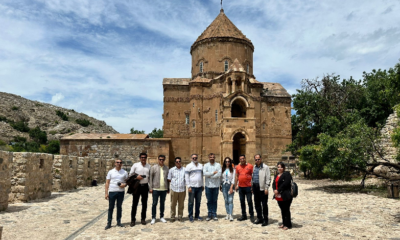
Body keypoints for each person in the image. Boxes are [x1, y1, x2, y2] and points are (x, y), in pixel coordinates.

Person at [105, 159, 128, 230]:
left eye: (120, 162)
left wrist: (124, 185)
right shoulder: (111, 172)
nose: (119, 163)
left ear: (122, 164)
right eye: (117, 162)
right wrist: (106, 193)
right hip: (112, 191)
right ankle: (109, 223)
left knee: (119, 207)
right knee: (111, 208)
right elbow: (107, 182)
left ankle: (118, 221)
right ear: (115, 163)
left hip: (120, 192)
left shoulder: (124, 172)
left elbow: (127, 182)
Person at [129, 152, 151, 227]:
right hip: (137, 186)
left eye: (144, 157)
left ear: (146, 158)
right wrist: (136, 177)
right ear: (140, 158)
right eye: (142, 157)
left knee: (144, 204)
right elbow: (130, 174)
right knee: (134, 203)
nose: (143, 159)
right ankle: (132, 220)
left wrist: (150, 188)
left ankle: (143, 219)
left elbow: (150, 178)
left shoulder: (149, 166)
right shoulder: (135, 165)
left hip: (145, 186)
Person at [149, 155, 170, 225]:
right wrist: (151, 188)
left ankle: (161, 216)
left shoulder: (167, 168)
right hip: (155, 188)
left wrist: (168, 188)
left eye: (163, 159)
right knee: (154, 203)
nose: (161, 161)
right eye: (160, 159)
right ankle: (153, 217)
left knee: (162, 203)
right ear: (158, 160)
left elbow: (168, 179)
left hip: (164, 189)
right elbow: (150, 178)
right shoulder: (154, 167)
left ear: (164, 160)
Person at [273, 162, 293, 230]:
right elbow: (274, 183)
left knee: (286, 209)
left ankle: (288, 224)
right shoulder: (276, 175)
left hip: (285, 195)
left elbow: (286, 183)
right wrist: (274, 190)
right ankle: (284, 223)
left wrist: (278, 190)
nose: (279, 168)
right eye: (278, 167)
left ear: (284, 168)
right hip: (278, 196)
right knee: (282, 210)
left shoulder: (287, 174)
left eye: (281, 167)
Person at [252, 154, 271, 226]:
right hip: (255, 187)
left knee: (264, 204)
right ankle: (259, 218)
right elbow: (252, 177)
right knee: (257, 204)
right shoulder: (254, 167)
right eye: (256, 159)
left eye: (258, 159)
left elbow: (268, 178)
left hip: (262, 188)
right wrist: (252, 187)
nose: (257, 160)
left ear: (261, 159)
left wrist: (266, 188)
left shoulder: (265, 167)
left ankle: (265, 220)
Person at [234, 154, 254, 222]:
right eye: (241, 159)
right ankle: (244, 215)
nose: (242, 160)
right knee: (242, 202)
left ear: (245, 159)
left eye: (243, 158)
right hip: (241, 187)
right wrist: (236, 185)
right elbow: (236, 176)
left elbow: (253, 176)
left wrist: (252, 186)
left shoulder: (250, 166)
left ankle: (251, 215)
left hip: (248, 187)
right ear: (239, 160)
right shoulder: (238, 167)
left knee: (249, 201)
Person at [185, 154, 204, 222]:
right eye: (193, 158)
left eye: (196, 158)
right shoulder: (188, 166)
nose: (195, 159)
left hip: (199, 187)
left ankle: (197, 215)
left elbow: (201, 176)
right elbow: (186, 177)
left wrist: (202, 185)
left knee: (198, 202)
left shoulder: (200, 165)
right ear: (191, 159)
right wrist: (188, 186)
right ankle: (190, 215)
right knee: (191, 202)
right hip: (192, 187)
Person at [203, 153, 221, 221]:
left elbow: (219, 174)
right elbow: (205, 173)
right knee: (209, 200)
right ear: (208, 158)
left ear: (215, 157)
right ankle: (209, 213)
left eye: (213, 157)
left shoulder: (218, 165)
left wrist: (210, 175)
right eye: (211, 157)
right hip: (208, 185)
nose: (212, 158)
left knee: (215, 200)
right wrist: (213, 173)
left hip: (216, 185)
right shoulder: (206, 165)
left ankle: (214, 213)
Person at [167, 157, 186, 222]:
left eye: (179, 161)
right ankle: (172, 216)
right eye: (177, 162)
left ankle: (180, 216)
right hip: (174, 189)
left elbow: (186, 179)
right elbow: (169, 179)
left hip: (182, 190)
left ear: (181, 162)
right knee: (173, 204)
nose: (178, 163)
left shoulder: (184, 170)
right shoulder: (171, 170)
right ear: (175, 162)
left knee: (181, 204)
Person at [220, 157, 235, 221]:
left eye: (228, 161)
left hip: (230, 185)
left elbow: (234, 179)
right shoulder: (222, 169)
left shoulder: (233, 169)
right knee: (226, 200)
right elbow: (221, 178)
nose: (227, 163)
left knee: (230, 200)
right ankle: (228, 214)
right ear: (224, 162)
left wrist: (231, 187)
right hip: (224, 185)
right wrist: (220, 185)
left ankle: (231, 214)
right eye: (226, 161)